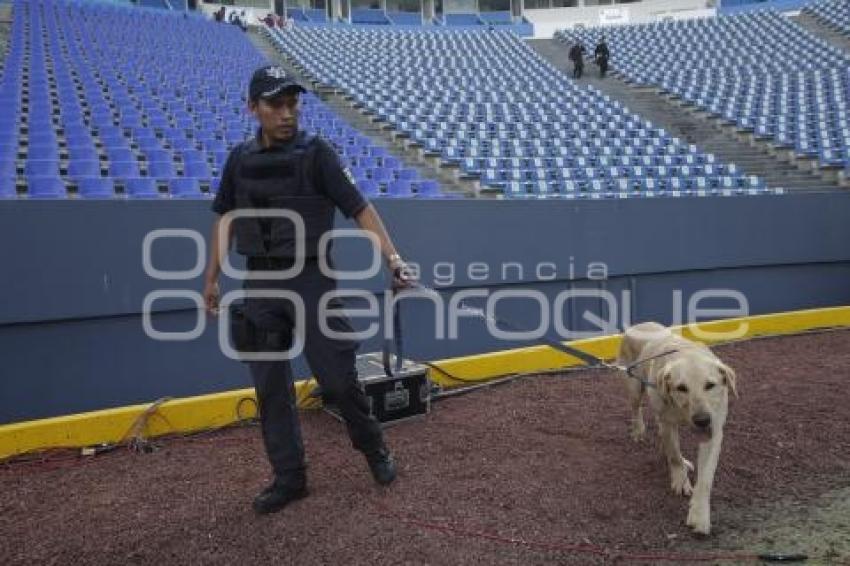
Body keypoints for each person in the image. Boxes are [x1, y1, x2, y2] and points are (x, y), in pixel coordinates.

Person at [203, 65, 416, 515]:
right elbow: (224, 218)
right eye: (275, 105)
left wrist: (393, 259)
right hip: (259, 283)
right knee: (270, 388)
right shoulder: (238, 160)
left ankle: (374, 447)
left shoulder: (318, 153)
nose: (286, 114)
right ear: (253, 108)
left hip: (312, 280)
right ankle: (289, 477)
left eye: (292, 105)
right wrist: (211, 277)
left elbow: (360, 209)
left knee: (338, 379)